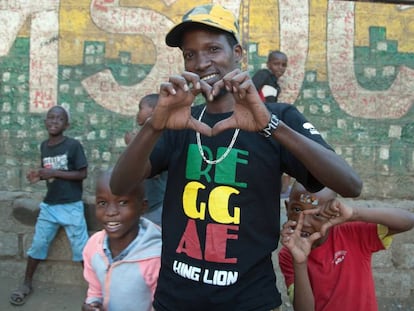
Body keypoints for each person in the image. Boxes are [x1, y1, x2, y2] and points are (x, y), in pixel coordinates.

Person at [109, 4, 362, 311]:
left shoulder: (279, 117)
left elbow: (350, 184)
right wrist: (154, 125)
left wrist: (270, 125)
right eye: (190, 54)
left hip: (249, 301)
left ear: (238, 52)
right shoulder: (179, 121)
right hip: (175, 300)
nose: (201, 62)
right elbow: (120, 184)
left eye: (213, 48)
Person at [278, 181, 414, 311]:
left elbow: (408, 221)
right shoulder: (288, 254)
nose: (306, 222)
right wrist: (300, 263)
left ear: (332, 214)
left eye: (317, 214)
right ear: (287, 207)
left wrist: (355, 214)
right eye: (296, 209)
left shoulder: (352, 232)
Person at [9, 105, 89, 306]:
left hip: (71, 206)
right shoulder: (44, 146)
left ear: (66, 124)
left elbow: (81, 174)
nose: (54, 121)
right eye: (50, 117)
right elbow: (49, 172)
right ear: (45, 121)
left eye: (59, 119)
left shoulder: (73, 146)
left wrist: (53, 173)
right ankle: (26, 283)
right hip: (50, 206)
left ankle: (95, 289)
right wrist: (38, 175)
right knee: (38, 245)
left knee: (82, 250)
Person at [82, 168, 162, 311]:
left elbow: (160, 305)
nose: (111, 212)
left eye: (123, 202)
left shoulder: (155, 257)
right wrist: (92, 304)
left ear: (143, 206)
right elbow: (95, 290)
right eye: (102, 203)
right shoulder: (94, 246)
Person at [124, 93, 167, 226]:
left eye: (140, 108)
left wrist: (133, 145)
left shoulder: (160, 136)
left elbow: (151, 166)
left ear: (154, 110)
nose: (138, 113)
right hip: (149, 204)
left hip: (158, 204)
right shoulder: (148, 136)